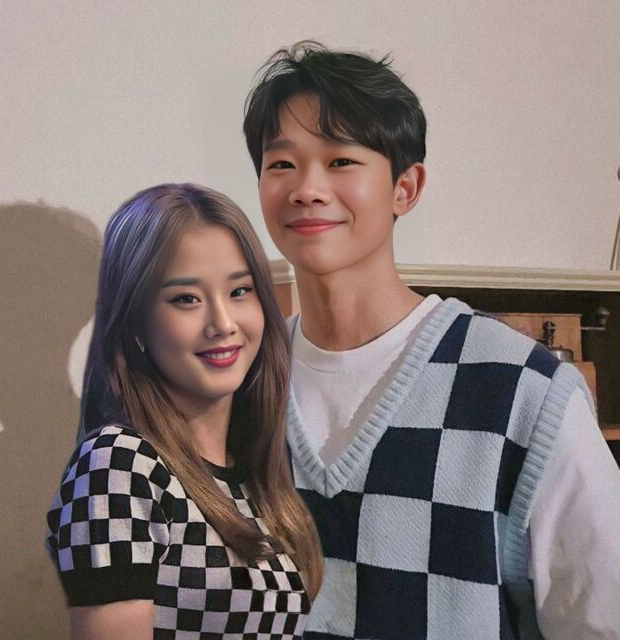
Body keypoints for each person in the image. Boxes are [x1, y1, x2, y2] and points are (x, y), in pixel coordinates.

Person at [243, 42, 620, 639]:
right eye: (282, 164)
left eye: (341, 160)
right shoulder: (238, 385)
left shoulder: (523, 391)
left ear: (406, 188)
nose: (307, 189)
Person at [45, 183, 323, 639]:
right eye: (186, 299)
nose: (223, 324)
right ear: (136, 321)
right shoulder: (118, 463)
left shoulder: (256, 472)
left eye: (240, 291)